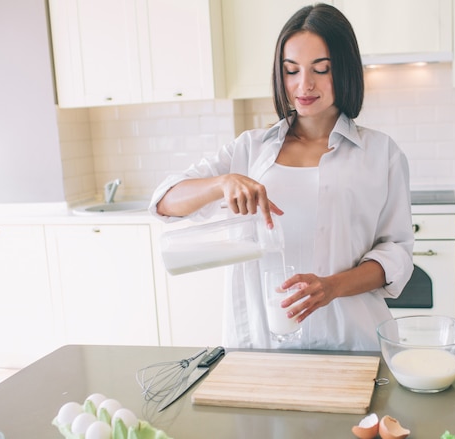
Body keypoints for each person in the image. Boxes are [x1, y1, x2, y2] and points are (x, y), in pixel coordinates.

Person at [149, 3, 414, 351]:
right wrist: (221, 183)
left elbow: (397, 253)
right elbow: (165, 201)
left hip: (352, 339)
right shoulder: (249, 151)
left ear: (345, 71)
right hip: (261, 343)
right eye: (291, 71)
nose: (304, 85)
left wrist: (332, 286)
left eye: (321, 69)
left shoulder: (381, 153)